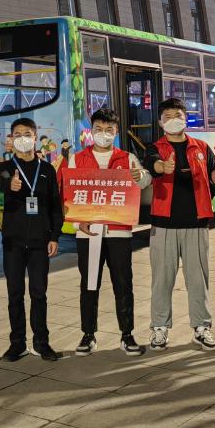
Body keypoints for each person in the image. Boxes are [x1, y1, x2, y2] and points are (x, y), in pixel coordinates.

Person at [68, 108, 151, 356]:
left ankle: (127, 334)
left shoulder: (127, 158)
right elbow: (69, 194)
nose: (103, 134)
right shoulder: (77, 159)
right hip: (88, 234)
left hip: (119, 233)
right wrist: (78, 223)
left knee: (123, 285)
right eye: (98, 129)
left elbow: (145, 181)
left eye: (109, 130)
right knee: (89, 284)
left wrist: (141, 176)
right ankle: (88, 334)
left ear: (116, 132)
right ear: (91, 131)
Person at [143, 97, 215, 351]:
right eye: (167, 117)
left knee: (198, 280)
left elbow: (214, 178)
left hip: (196, 224)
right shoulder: (154, 147)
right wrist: (162, 166)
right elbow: (152, 164)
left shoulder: (202, 147)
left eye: (178, 115)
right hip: (164, 225)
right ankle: (159, 328)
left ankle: (202, 327)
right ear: (160, 122)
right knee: (162, 280)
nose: (173, 120)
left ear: (186, 118)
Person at [0, 117, 63, 362]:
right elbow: (3, 181)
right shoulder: (4, 166)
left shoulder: (47, 169)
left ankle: (41, 343)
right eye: (17, 134)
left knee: (39, 293)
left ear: (35, 137)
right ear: (11, 139)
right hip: (13, 242)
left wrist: (54, 236)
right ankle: (17, 343)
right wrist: (11, 184)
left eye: (27, 134)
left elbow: (55, 206)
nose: (22, 138)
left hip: (39, 242)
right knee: (15, 294)